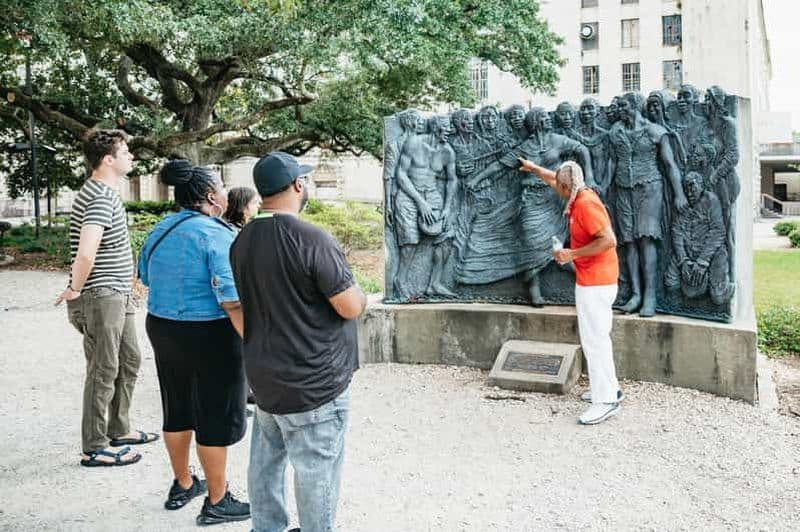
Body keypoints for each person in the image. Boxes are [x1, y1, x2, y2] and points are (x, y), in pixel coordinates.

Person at [231, 151, 367, 532]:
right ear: (297, 185)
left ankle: (267, 527)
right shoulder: (311, 238)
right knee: (316, 473)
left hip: (265, 376)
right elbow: (350, 305)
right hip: (313, 382)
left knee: (265, 465)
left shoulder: (242, 239)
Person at [138, 160, 250, 525]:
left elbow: (144, 275)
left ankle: (183, 482)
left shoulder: (160, 228)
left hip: (163, 326)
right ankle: (218, 500)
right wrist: (253, 337)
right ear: (208, 195)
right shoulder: (215, 233)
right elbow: (231, 297)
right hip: (209, 332)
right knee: (214, 413)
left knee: (177, 406)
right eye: (220, 186)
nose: (224, 192)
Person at [55, 129, 156, 468]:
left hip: (117, 293)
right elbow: (86, 253)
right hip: (102, 294)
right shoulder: (98, 196)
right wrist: (75, 289)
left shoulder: (105, 193)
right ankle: (94, 446)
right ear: (108, 159)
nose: (132, 157)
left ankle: (119, 428)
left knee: (129, 359)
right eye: (126, 152)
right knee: (104, 367)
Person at [518, 159, 623, 425]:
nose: (557, 189)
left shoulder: (586, 204)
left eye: (560, 186)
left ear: (568, 186)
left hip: (597, 282)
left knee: (595, 340)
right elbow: (553, 179)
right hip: (593, 280)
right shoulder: (576, 192)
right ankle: (609, 388)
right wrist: (533, 168)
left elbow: (609, 240)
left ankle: (606, 401)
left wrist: (571, 254)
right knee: (598, 337)